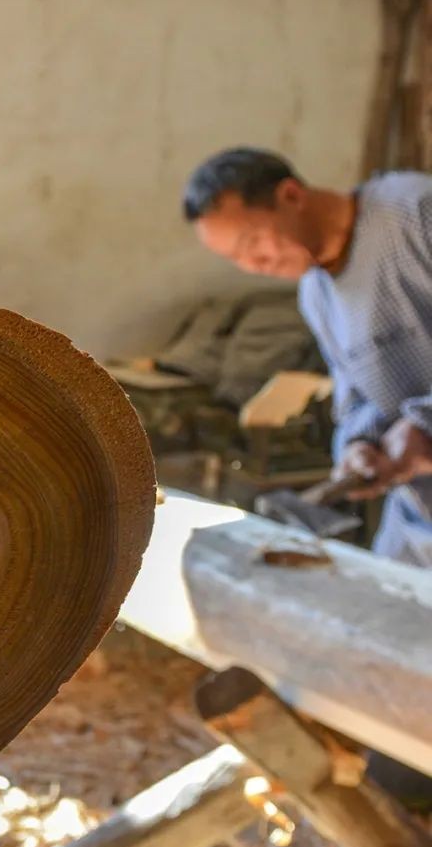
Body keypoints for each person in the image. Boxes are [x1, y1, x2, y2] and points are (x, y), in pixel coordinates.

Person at [183, 147, 432, 568]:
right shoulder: (315, 295)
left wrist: (424, 422)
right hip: (421, 510)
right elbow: (355, 395)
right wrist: (360, 445)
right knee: (379, 613)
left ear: (292, 195)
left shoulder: (414, 213)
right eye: (236, 258)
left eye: (253, 242)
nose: (253, 265)